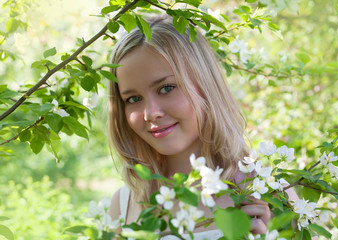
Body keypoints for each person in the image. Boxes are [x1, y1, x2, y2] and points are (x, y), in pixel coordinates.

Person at [108, 15, 274, 238]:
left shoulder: (266, 194)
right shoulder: (124, 205)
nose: (150, 113)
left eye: (166, 88)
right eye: (133, 99)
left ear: (205, 84)